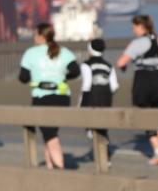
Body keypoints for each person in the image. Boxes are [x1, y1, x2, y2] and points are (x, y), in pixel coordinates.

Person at [117, 15, 158, 166]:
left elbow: (121, 62)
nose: (133, 30)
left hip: (144, 79)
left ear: (141, 27)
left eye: (134, 27)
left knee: (145, 115)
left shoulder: (137, 43)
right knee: (157, 112)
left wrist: (125, 65)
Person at [19, 23, 79, 170]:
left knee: (50, 136)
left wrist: (37, 77)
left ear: (41, 36)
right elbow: (75, 71)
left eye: (35, 34)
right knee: (50, 132)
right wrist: (61, 78)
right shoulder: (64, 51)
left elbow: (23, 77)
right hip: (62, 97)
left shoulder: (30, 53)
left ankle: (60, 169)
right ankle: (50, 168)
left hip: (42, 97)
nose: (34, 37)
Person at [79, 38, 119, 151]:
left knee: (89, 127)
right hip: (106, 99)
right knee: (102, 126)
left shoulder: (86, 65)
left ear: (90, 49)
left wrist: (82, 104)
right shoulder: (109, 65)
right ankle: (104, 150)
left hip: (90, 99)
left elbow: (86, 85)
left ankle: (101, 150)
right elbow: (114, 86)